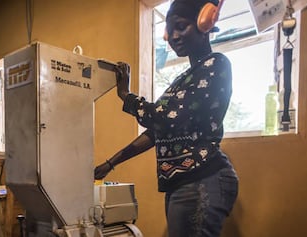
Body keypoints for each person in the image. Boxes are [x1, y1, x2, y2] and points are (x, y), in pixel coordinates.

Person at [94, 0, 238, 236]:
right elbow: (157, 132)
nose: (173, 36)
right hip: (182, 181)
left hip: (202, 178)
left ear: (205, 23)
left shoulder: (216, 64)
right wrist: (111, 164)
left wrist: (125, 95)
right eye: (169, 30)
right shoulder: (185, 78)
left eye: (181, 26)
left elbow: (165, 119)